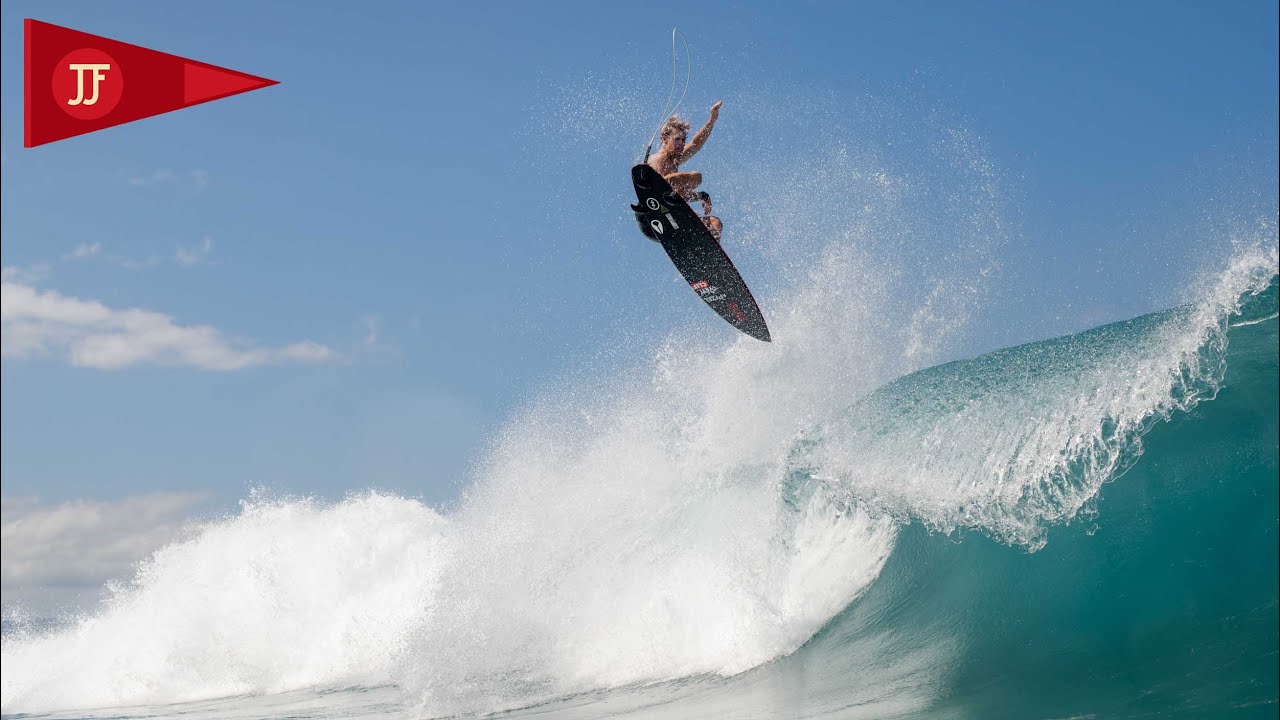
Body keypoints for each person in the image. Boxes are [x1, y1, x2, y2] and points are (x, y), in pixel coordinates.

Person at [647, 101, 723, 241]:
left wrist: (711, 121)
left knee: (714, 223)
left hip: (673, 217)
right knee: (696, 177)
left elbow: (695, 144)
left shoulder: (675, 159)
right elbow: (657, 192)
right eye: (677, 139)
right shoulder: (658, 159)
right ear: (664, 139)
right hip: (654, 218)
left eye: (683, 140)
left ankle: (705, 252)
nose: (681, 144)